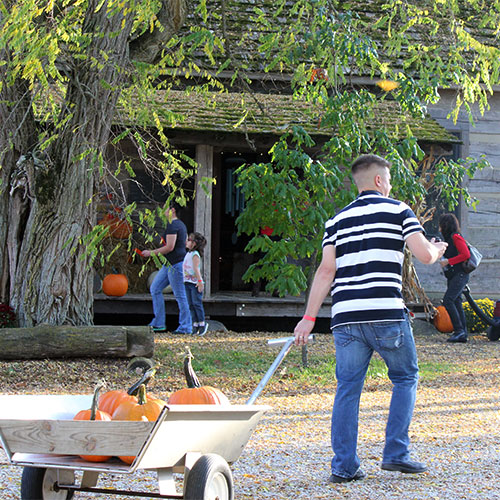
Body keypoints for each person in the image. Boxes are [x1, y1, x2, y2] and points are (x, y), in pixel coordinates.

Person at [294, 154, 448, 484]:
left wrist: (308, 318)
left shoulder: (336, 221)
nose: (390, 186)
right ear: (379, 181)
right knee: (406, 376)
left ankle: (344, 466)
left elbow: (325, 271)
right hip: (385, 314)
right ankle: (396, 452)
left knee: (348, 389)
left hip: (346, 317)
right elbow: (424, 255)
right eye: (389, 181)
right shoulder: (398, 211)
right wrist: (438, 248)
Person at [141, 202, 192, 334]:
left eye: (165, 208)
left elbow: (170, 247)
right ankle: (159, 323)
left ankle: (186, 327)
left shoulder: (173, 225)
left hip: (176, 265)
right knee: (155, 288)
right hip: (169, 264)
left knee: (180, 295)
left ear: (172, 210)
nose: (163, 211)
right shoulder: (180, 225)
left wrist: (151, 253)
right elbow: (184, 243)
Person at [438, 213, 471, 343]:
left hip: (460, 274)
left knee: (448, 300)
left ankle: (459, 331)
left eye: (441, 224)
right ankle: (462, 333)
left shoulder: (456, 237)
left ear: (445, 225)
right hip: (454, 275)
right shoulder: (448, 239)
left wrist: (449, 261)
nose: (439, 227)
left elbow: (465, 254)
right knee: (456, 302)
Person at [184, 232, 209, 336]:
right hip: (187, 282)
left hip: (194, 283)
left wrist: (200, 282)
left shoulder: (195, 255)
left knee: (196, 303)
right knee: (191, 304)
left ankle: (202, 324)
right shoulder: (188, 253)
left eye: (189, 240)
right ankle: (195, 325)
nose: (187, 242)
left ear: (194, 243)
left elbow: (196, 269)